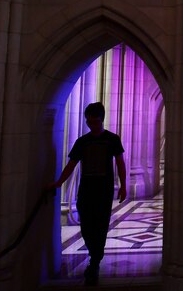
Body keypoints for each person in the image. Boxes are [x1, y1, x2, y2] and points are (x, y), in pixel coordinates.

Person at [49, 101, 127, 286]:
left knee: (100, 225)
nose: (93, 125)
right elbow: (71, 164)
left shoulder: (112, 139)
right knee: (86, 224)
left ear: (102, 120)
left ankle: (95, 260)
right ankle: (94, 255)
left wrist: (123, 186)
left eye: (96, 121)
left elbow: (120, 162)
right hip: (86, 189)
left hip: (104, 190)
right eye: (90, 122)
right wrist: (59, 183)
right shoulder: (82, 142)